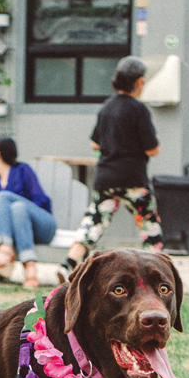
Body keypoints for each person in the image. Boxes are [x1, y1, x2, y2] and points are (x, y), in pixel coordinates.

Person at [58, 55, 163, 284]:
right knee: (149, 225)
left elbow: (95, 143)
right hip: (133, 179)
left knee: (93, 223)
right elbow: (152, 149)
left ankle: (68, 264)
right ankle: (158, 274)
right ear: (139, 82)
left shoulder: (106, 107)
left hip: (105, 178)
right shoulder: (138, 110)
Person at [0, 137, 57, 288]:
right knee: (17, 208)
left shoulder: (22, 170)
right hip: (22, 233)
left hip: (44, 226)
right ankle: (30, 273)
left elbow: (41, 200)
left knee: (13, 203)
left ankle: (4, 250)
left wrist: (6, 200)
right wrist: (5, 204)